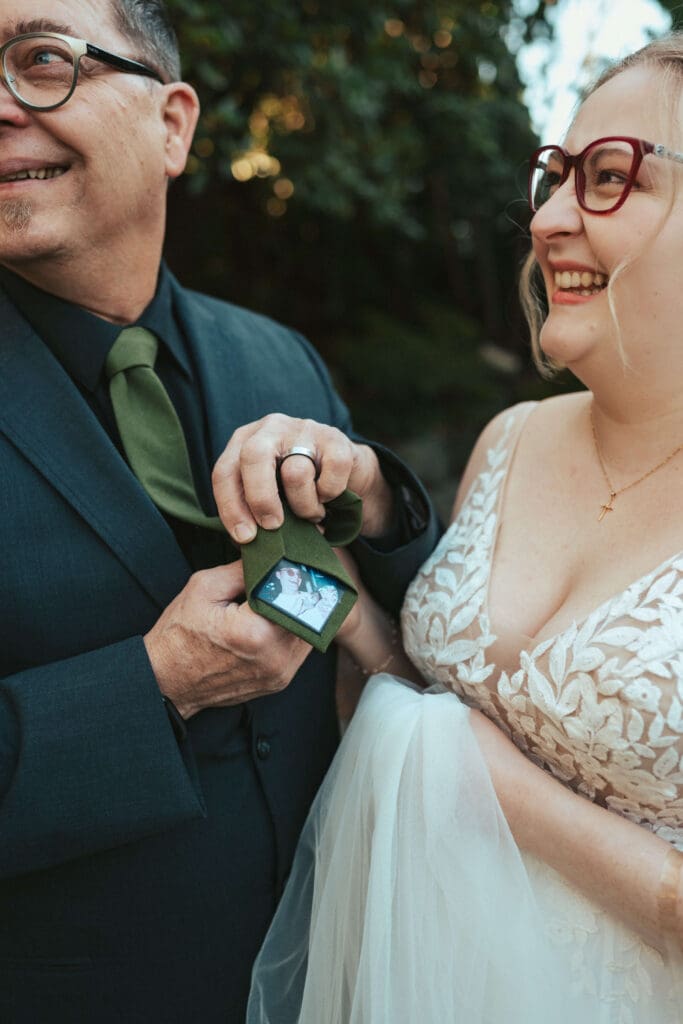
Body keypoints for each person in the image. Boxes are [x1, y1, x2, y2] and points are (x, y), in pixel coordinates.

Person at [0, 3, 441, 1022]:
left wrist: (373, 495)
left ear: (173, 124)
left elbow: (441, 639)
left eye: (40, 61)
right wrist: (156, 685)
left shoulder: (279, 360)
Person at [248, 34, 683, 1023]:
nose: (547, 219)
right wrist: (333, 601)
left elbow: (464, 764)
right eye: (555, 177)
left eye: (607, 178)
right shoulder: (508, 439)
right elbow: (423, 702)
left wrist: (482, 780)